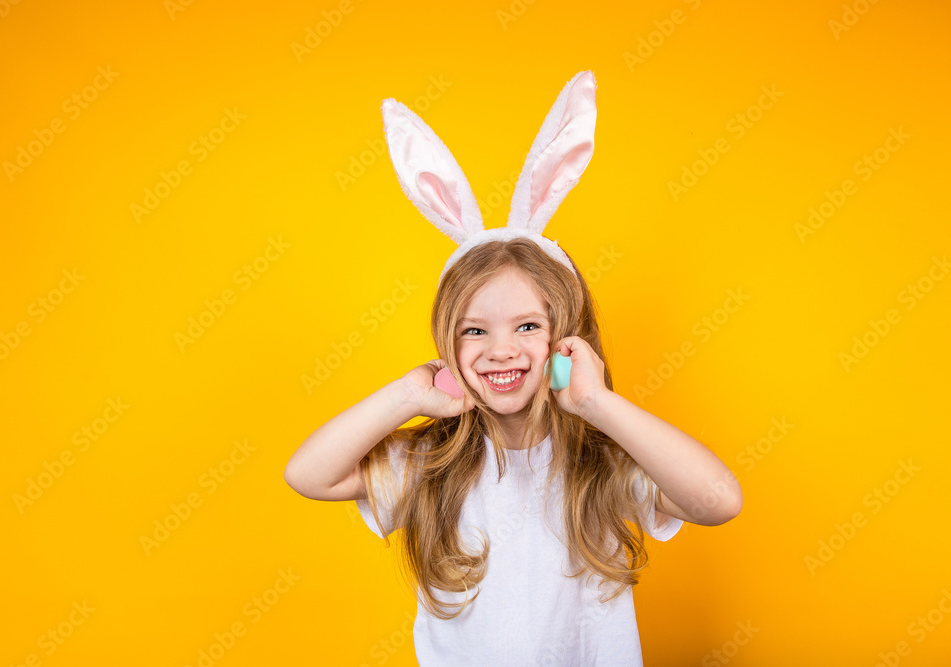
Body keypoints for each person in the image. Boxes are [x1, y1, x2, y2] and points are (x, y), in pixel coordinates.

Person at [284, 71, 742, 666]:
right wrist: (406, 395)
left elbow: (719, 500)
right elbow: (308, 475)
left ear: (566, 338)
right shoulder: (429, 465)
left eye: (527, 327)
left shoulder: (601, 461)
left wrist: (598, 403)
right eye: (475, 331)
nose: (500, 350)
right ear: (448, 344)